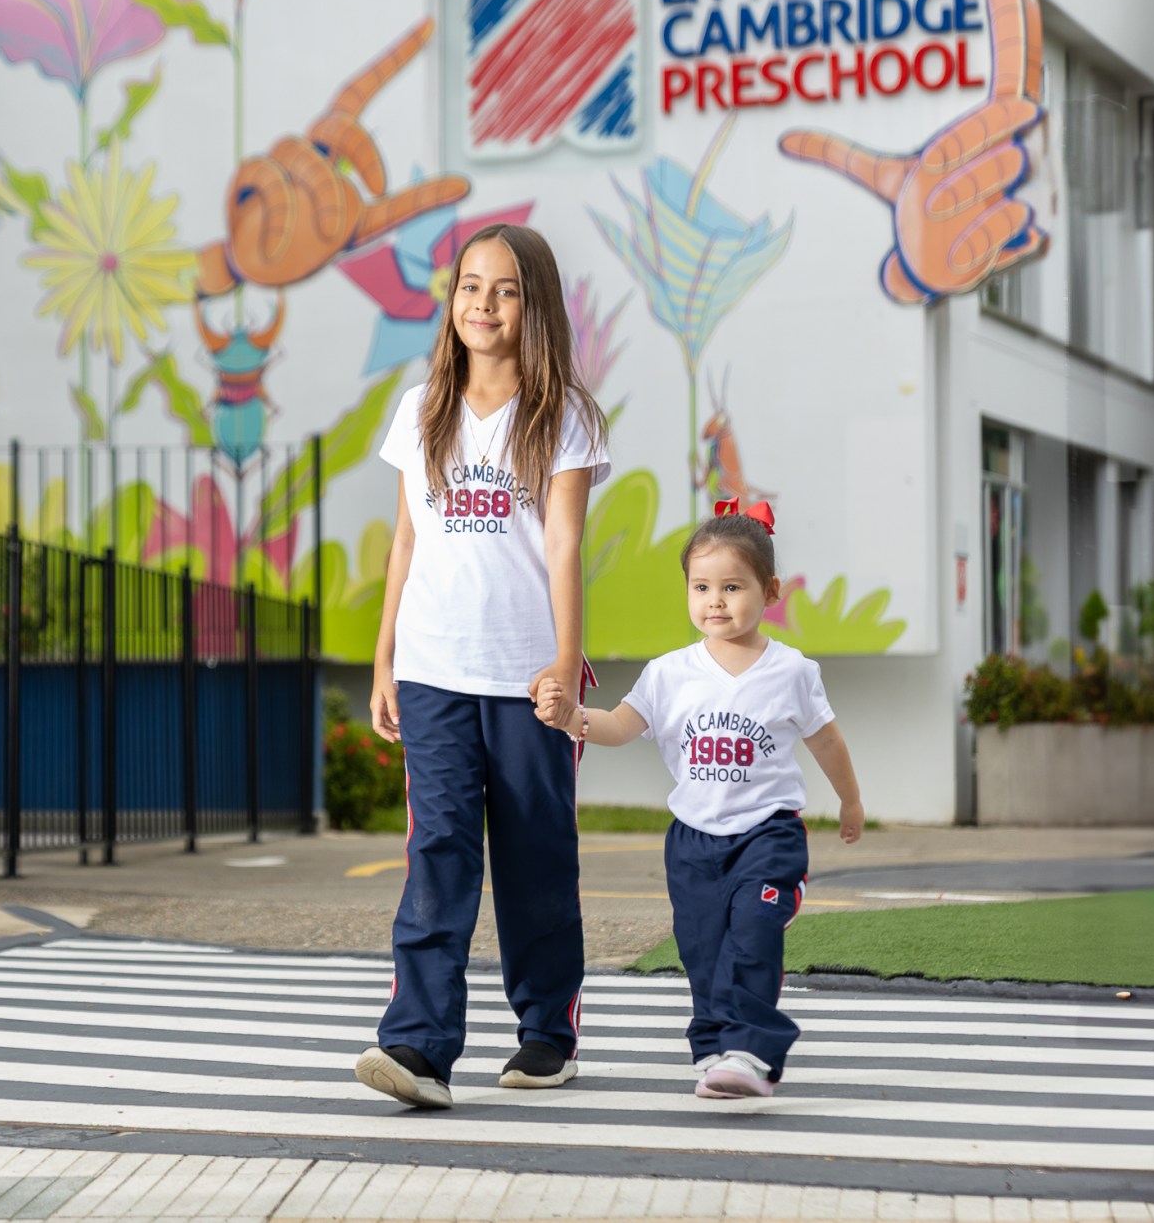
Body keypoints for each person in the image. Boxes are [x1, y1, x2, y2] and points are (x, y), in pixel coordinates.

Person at [354, 223, 609, 1111]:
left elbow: (566, 541)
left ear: (532, 303)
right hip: (433, 665)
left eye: (503, 289)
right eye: (469, 286)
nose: (482, 304)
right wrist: (384, 654)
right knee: (440, 848)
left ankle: (547, 1029)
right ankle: (419, 1046)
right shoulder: (422, 404)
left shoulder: (563, 413)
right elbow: (408, 538)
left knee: (537, 855)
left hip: (528, 672)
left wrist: (566, 661)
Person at [535, 500, 865, 1099]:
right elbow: (619, 725)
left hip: (767, 834)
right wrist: (572, 719)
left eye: (732, 587)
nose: (715, 600)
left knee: (755, 932)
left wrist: (850, 802)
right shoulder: (668, 674)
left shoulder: (792, 671)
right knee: (703, 948)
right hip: (691, 842)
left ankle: (751, 1051)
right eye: (702, 586)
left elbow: (828, 741)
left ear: (769, 593)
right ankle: (715, 1044)